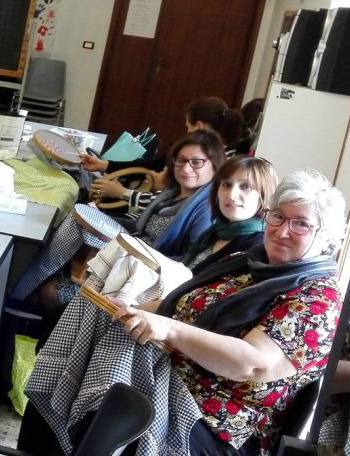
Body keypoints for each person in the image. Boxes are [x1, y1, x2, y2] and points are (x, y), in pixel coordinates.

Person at [21, 169, 346, 456]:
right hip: (172, 374)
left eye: (301, 224)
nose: (282, 230)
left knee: (108, 401)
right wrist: (132, 311)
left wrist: (168, 330)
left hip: (216, 421)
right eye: (278, 216)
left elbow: (252, 365)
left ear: (326, 236)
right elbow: (180, 304)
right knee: (83, 359)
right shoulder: (250, 261)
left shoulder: (318, 299)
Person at [11, 130, 226, 302]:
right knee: (76, 219)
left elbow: (187, 265)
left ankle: (23, 289)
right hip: (130, 257)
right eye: (181, 160)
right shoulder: (171, 195)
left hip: (143, 281)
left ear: (215, 165)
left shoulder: (204, 209)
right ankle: (26, 286)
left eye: (196, 162)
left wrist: (125, 243)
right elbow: (140, 227)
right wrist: (101, 217)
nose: (186, 168)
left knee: (53, 283)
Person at [82, 96, 246, 173]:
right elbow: (157, 165)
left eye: (188, 126)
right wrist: (105, 165)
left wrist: (124, 194)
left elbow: (160, 172)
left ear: (199, 126)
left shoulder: (202, 160)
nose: (187, 132)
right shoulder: (231, 157)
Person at [182, 156, 278, 273]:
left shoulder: (258, 249)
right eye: (227, 185)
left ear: (264, 196)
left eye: (246, 186)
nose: (232, 195)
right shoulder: (215, 232)